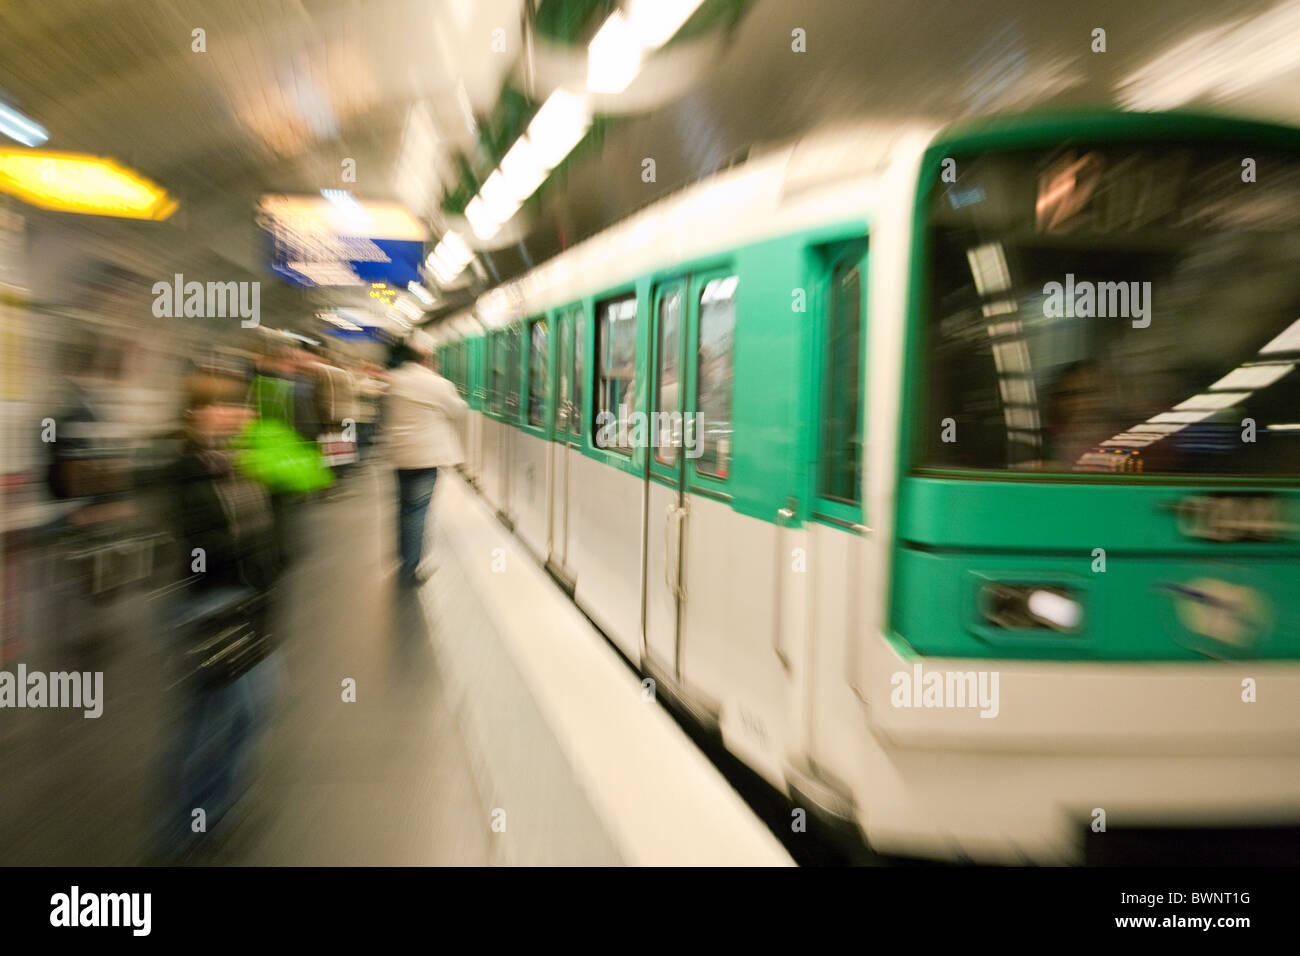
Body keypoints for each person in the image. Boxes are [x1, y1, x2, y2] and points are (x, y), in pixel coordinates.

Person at [157, 362, 281, 861]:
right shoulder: (181, 469)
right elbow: (195, 546)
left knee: (245, 711)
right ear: (198, 414)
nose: (236, 413)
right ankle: (181, 830)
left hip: (245, 602)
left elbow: (265, 522)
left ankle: (210, 813)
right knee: (213, 718)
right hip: (206, 603)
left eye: (237, 405)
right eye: (224, 406)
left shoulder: (234, 460)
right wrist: (242, 546)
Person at [383, 333, 467, 586]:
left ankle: (402, 559)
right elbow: (459, 411)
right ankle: (411, 566)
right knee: (418, 511)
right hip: (427, 457)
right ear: (427, 359)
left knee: (403, 507)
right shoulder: (437, 384)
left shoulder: (393, 381)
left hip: (400, 456)